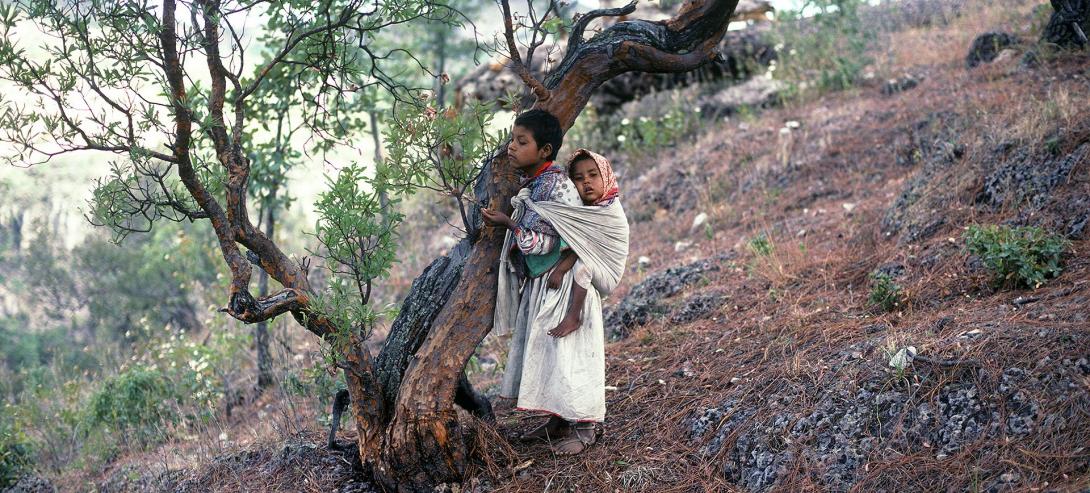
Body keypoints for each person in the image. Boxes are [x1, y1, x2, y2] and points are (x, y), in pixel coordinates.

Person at [488, 139, 630, 456]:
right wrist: (564, 264)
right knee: (553, 352)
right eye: (578, 178)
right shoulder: (581, 210)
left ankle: (585, 428)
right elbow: (573, 242)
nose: (586, 183)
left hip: (583, 292)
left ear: (606, 176)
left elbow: (590, 254)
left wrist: (565, 269)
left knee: (573, 356)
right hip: (570, 281)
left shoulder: (608, 213)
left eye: (593, 175)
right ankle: (556, 418)